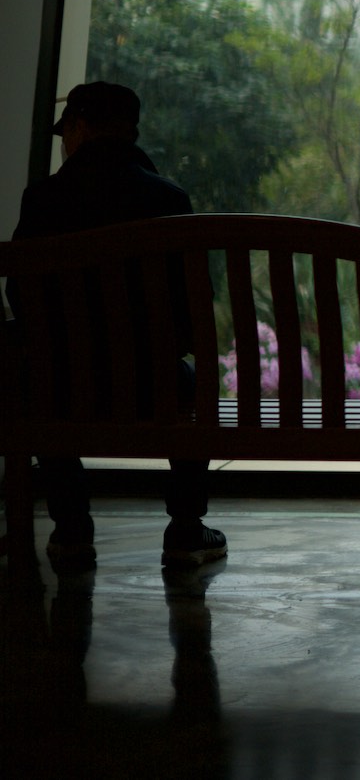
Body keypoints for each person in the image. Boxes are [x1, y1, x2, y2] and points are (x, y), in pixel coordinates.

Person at [9, 81, 228, 570]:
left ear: (80, 128)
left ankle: (71, 527)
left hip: (61, 390)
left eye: (65, 132)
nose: (64, 143)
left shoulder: (41, 200)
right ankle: (186, 529)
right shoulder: (168, 199)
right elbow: (192, 316)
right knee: (193, 383)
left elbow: (20, 300)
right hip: (155, 388)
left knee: (31, 383)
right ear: (130, 133)